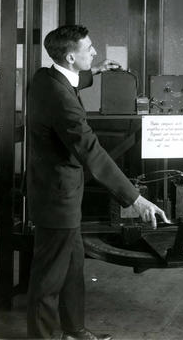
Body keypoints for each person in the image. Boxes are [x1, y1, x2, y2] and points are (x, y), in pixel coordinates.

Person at [26, 24, 169, 340]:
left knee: (73, 269)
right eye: (89, 49)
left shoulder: (44, 77)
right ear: (71, 56)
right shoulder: (61, 100)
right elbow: (91, 152)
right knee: (49, 279)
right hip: (57, 199)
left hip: (58, 192)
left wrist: (98, 71)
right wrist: (135, 198)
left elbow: (72, 81)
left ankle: (74, 330)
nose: (94, 52)